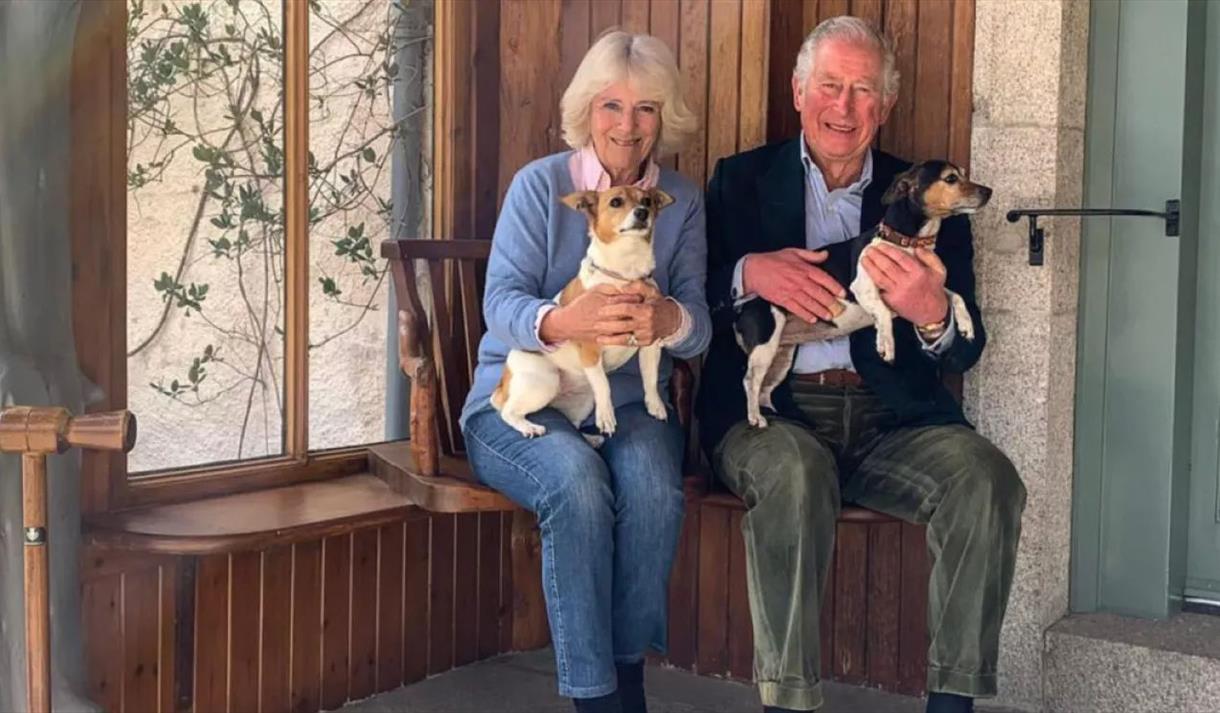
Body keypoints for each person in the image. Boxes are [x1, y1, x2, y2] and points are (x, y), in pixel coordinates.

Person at [695, 16, 1026, 713]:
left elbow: (966, 346)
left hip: (893, 419)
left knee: (986, 479)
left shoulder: (926, 200)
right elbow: (688, 302)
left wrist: (932, 311)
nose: (844, 107)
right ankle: (789, 701)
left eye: (863, 90)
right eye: (830, 86)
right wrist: (749, 272)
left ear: (886, 103)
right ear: (797, 92)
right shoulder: (740, 179)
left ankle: (953, 701)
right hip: (776, 414)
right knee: (793, 470)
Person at [459, 30, 711, 713]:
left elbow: (699, 323)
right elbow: (499, 301)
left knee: (656, 488)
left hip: (626, 401)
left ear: (665, 118)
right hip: (520, 398)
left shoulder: (681, 199)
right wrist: (563, 321)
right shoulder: (540, 187)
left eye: (646, 109)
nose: (627, 126)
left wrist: (672, 322)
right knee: (574, 483)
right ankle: (597, 697)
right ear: (586, 111)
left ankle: (626, 671)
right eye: (611, 105)